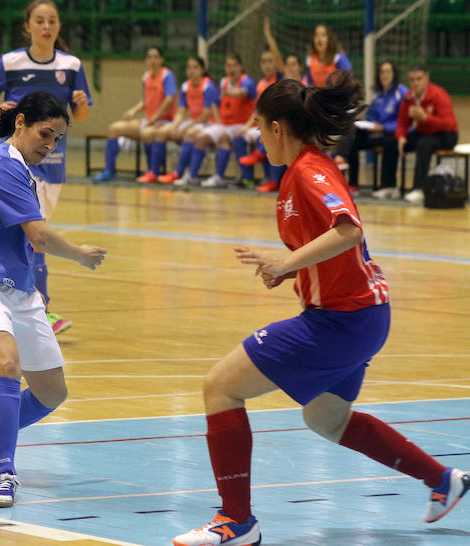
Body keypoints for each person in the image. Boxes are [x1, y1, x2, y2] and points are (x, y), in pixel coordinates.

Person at [172, 72, 469, 546]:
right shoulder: (302, 171)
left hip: (341, 320)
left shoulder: (309, 172)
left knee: (220, 387)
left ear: (277, 128)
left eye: (258, 124)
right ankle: (442, 479)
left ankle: (236, 522)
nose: (255, 133)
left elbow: (348, 230)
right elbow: (333, 247)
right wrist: (288, 270)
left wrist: (285, 260)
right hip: (363, 317)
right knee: (325, 419)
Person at [0, 92, 106, 508]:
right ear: (20, 124)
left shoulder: (21, 169)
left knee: (52, 392)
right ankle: (7, 471)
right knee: (7, 366)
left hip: (19, 288)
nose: (49, 145)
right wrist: (80, 255)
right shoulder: (1, 163)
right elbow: (37, 235)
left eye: (56, 139)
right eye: (44, 134)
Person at [0, 0, 92, 335]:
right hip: (17, 161)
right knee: (34, 236)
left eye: (51, 21)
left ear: (58, 27)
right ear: (28, 26)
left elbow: (80, 118)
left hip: (53, 161)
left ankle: (8, 303)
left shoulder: (71, 65)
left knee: (29, 237)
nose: (46, 26)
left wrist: (81, 106)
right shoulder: (11, 62)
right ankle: (41, 310)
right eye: (39, 21)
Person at [92, 47, 176, 183]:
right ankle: (109, 171)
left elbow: (169, 98)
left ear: (161, 59)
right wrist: (133, 111)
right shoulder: (146, 77)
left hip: (164, 122)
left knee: (147, 134)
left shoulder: (167, 76)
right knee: (114, 128)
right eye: (150, 57)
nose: (153, 60)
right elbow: (146, 100)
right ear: (146, 60)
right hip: (148, 121)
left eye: (156, 57)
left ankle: (153, 171)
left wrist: (155, 117)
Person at [334, 61, 407, 199]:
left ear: (394, 74)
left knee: (390, 142)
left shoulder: (401, 92)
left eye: (387, 71)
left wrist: (384, 127)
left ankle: (388, 186)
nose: (384, 75)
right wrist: (370, 123)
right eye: (382, 72)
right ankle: (352, 181)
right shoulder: (377, 94)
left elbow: (404, 120)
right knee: (352, 132)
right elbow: (372, 114)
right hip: (375, 132)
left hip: (391, 133)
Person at [393, 64, 459, 204]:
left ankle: (419, 189)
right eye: (412, 80)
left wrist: (426, 118)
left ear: (426, 79)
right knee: (392, 142)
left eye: (419, 79)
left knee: (424, 144)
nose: (415, 83)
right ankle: (389, 186)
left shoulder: (438, 94)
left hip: (447, 135)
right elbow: (402, 123)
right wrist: (401, 137)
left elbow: (448, 123)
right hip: (424, 132)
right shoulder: (409, 97)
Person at [237, 17, 287, 193]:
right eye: (264, 62)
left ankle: (270, 175)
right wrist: (247, 126)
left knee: (271, 133)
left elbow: (279, 62)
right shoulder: (260, 84)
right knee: (243, 134)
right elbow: (258, 111)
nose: (267, 65)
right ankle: (250, 176)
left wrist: (268, 36)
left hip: (280, 123)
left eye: (270, 61)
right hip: (265, 123)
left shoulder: (279, 79)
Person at [194, 53, 256, 188]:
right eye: (228, 65)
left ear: (241, 67)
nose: (231, 69)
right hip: (225, 124)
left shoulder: (247, 81)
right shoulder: (224, 82)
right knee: (200, 138)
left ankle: (219, 177)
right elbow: (215, 103)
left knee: (223, 138)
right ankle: (191, 176)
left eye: (235, 65)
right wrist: (218, 120)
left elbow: (242, 93)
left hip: (243, 124)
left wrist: (227, 92)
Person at [155, 56, 219, 186]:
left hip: (210, 123)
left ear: (202, 70)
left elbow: (207, 114)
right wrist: (175, 125)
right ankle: (154, 172)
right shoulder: (185, 86)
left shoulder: (208, 86)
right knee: (165, 132)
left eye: (195, 67)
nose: (191, 71)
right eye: (189, 67)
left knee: (189, 134)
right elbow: (181, 111)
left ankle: (182, 173)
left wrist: (187, 127)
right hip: (195, 122)